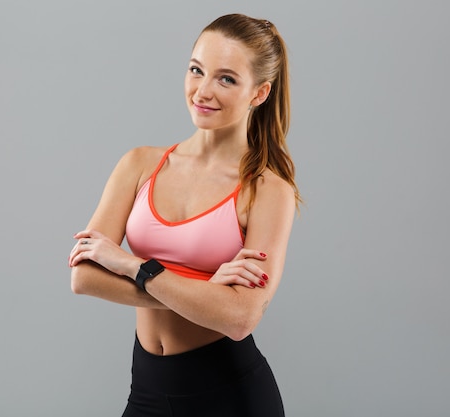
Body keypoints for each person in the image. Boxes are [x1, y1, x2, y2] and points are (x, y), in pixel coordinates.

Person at [68, 13, 301, 417]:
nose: (202, 90)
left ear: (259, 93)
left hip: (230, 396)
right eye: (197, 70)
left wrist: (130, 264)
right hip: (146, 390)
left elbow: (240, 317)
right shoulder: (140, 164)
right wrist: (208, 290)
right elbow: (84, 277)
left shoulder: (267, 190)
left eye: (226, 79)